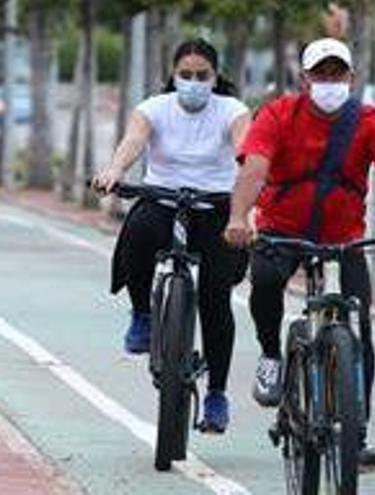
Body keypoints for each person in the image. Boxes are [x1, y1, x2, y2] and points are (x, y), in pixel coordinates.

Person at [223, 38, 375, 468]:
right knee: (264, 283)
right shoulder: (279, 115)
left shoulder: (374, 121)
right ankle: (270, 354)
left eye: (338, 74)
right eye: (321, 74)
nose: (330, 82)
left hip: (344, 239)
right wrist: (239, 217)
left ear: (352, 78)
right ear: (304, 79)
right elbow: (255, 168)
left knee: (359, 326)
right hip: (282, 232)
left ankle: (355, 436)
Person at [92, 39, 251, 433]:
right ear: (173, 76)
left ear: (216, 78)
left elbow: (245, 151)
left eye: (203, 76)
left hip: (215, 208)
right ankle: (143, 315)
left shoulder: (232, 111)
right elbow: (133, 141)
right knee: (139, 229)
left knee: (216, 298)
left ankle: (216, 395)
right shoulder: (153, 108)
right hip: (162, 200)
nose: (194, 83)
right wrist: (114, 170)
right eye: (186, 75)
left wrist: (250, 199)